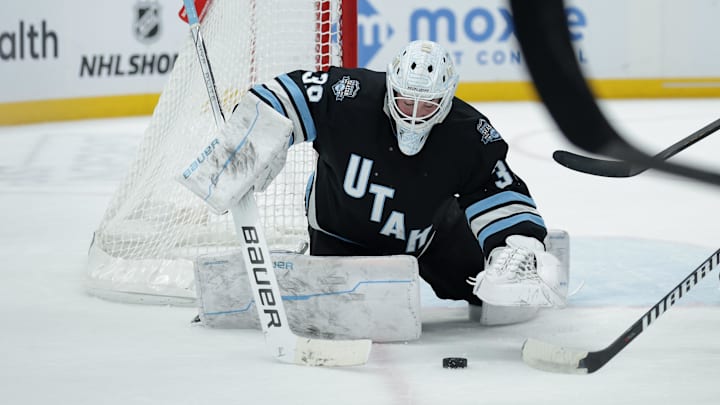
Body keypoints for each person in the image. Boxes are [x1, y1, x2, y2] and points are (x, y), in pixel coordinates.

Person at [242, 40, 566, 324]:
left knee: (501, 302)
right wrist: (252, 131)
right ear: (391, 85)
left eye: (428, 105)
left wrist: (516, 243)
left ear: (447, 98)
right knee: (351, 320)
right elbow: (287, 92)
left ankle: (524, 258)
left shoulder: (467, 132)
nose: (414, 114)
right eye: (406, 100)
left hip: (430, 238)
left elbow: (495, 189)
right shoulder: (348, 96)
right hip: (338, 235)